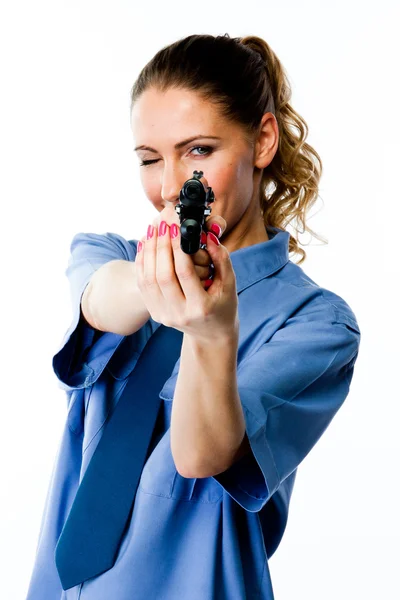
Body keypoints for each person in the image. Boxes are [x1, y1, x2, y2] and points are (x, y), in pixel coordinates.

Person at [26, 33, 361, 599]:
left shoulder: (315, 324)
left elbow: (202, 454)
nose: (172, 185)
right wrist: (161, 275)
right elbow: (100, 302)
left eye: (199, 150)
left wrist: (212, 332)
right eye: (150, 160)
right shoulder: (111, 256)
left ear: (261, 140)